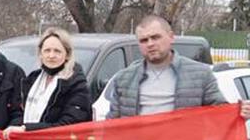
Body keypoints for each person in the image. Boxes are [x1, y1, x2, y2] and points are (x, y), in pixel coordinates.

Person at [104, 15, 250, 119]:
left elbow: (220, 114)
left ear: (171, 37)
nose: (150, 44)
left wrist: (238, 112)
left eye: (155, 37)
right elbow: (112, 126)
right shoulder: (123, 79)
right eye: (143, 40)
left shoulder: (200, 74)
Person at [1, 28, 91, 139]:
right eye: (47, 50)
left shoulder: (77, 84)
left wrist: (27, 129)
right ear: (40, 54)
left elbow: (69, 125)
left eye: (57, 51)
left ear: (67, 55)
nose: (51, 55)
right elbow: (19, 113)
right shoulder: (31, 80)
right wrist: (13, 129)